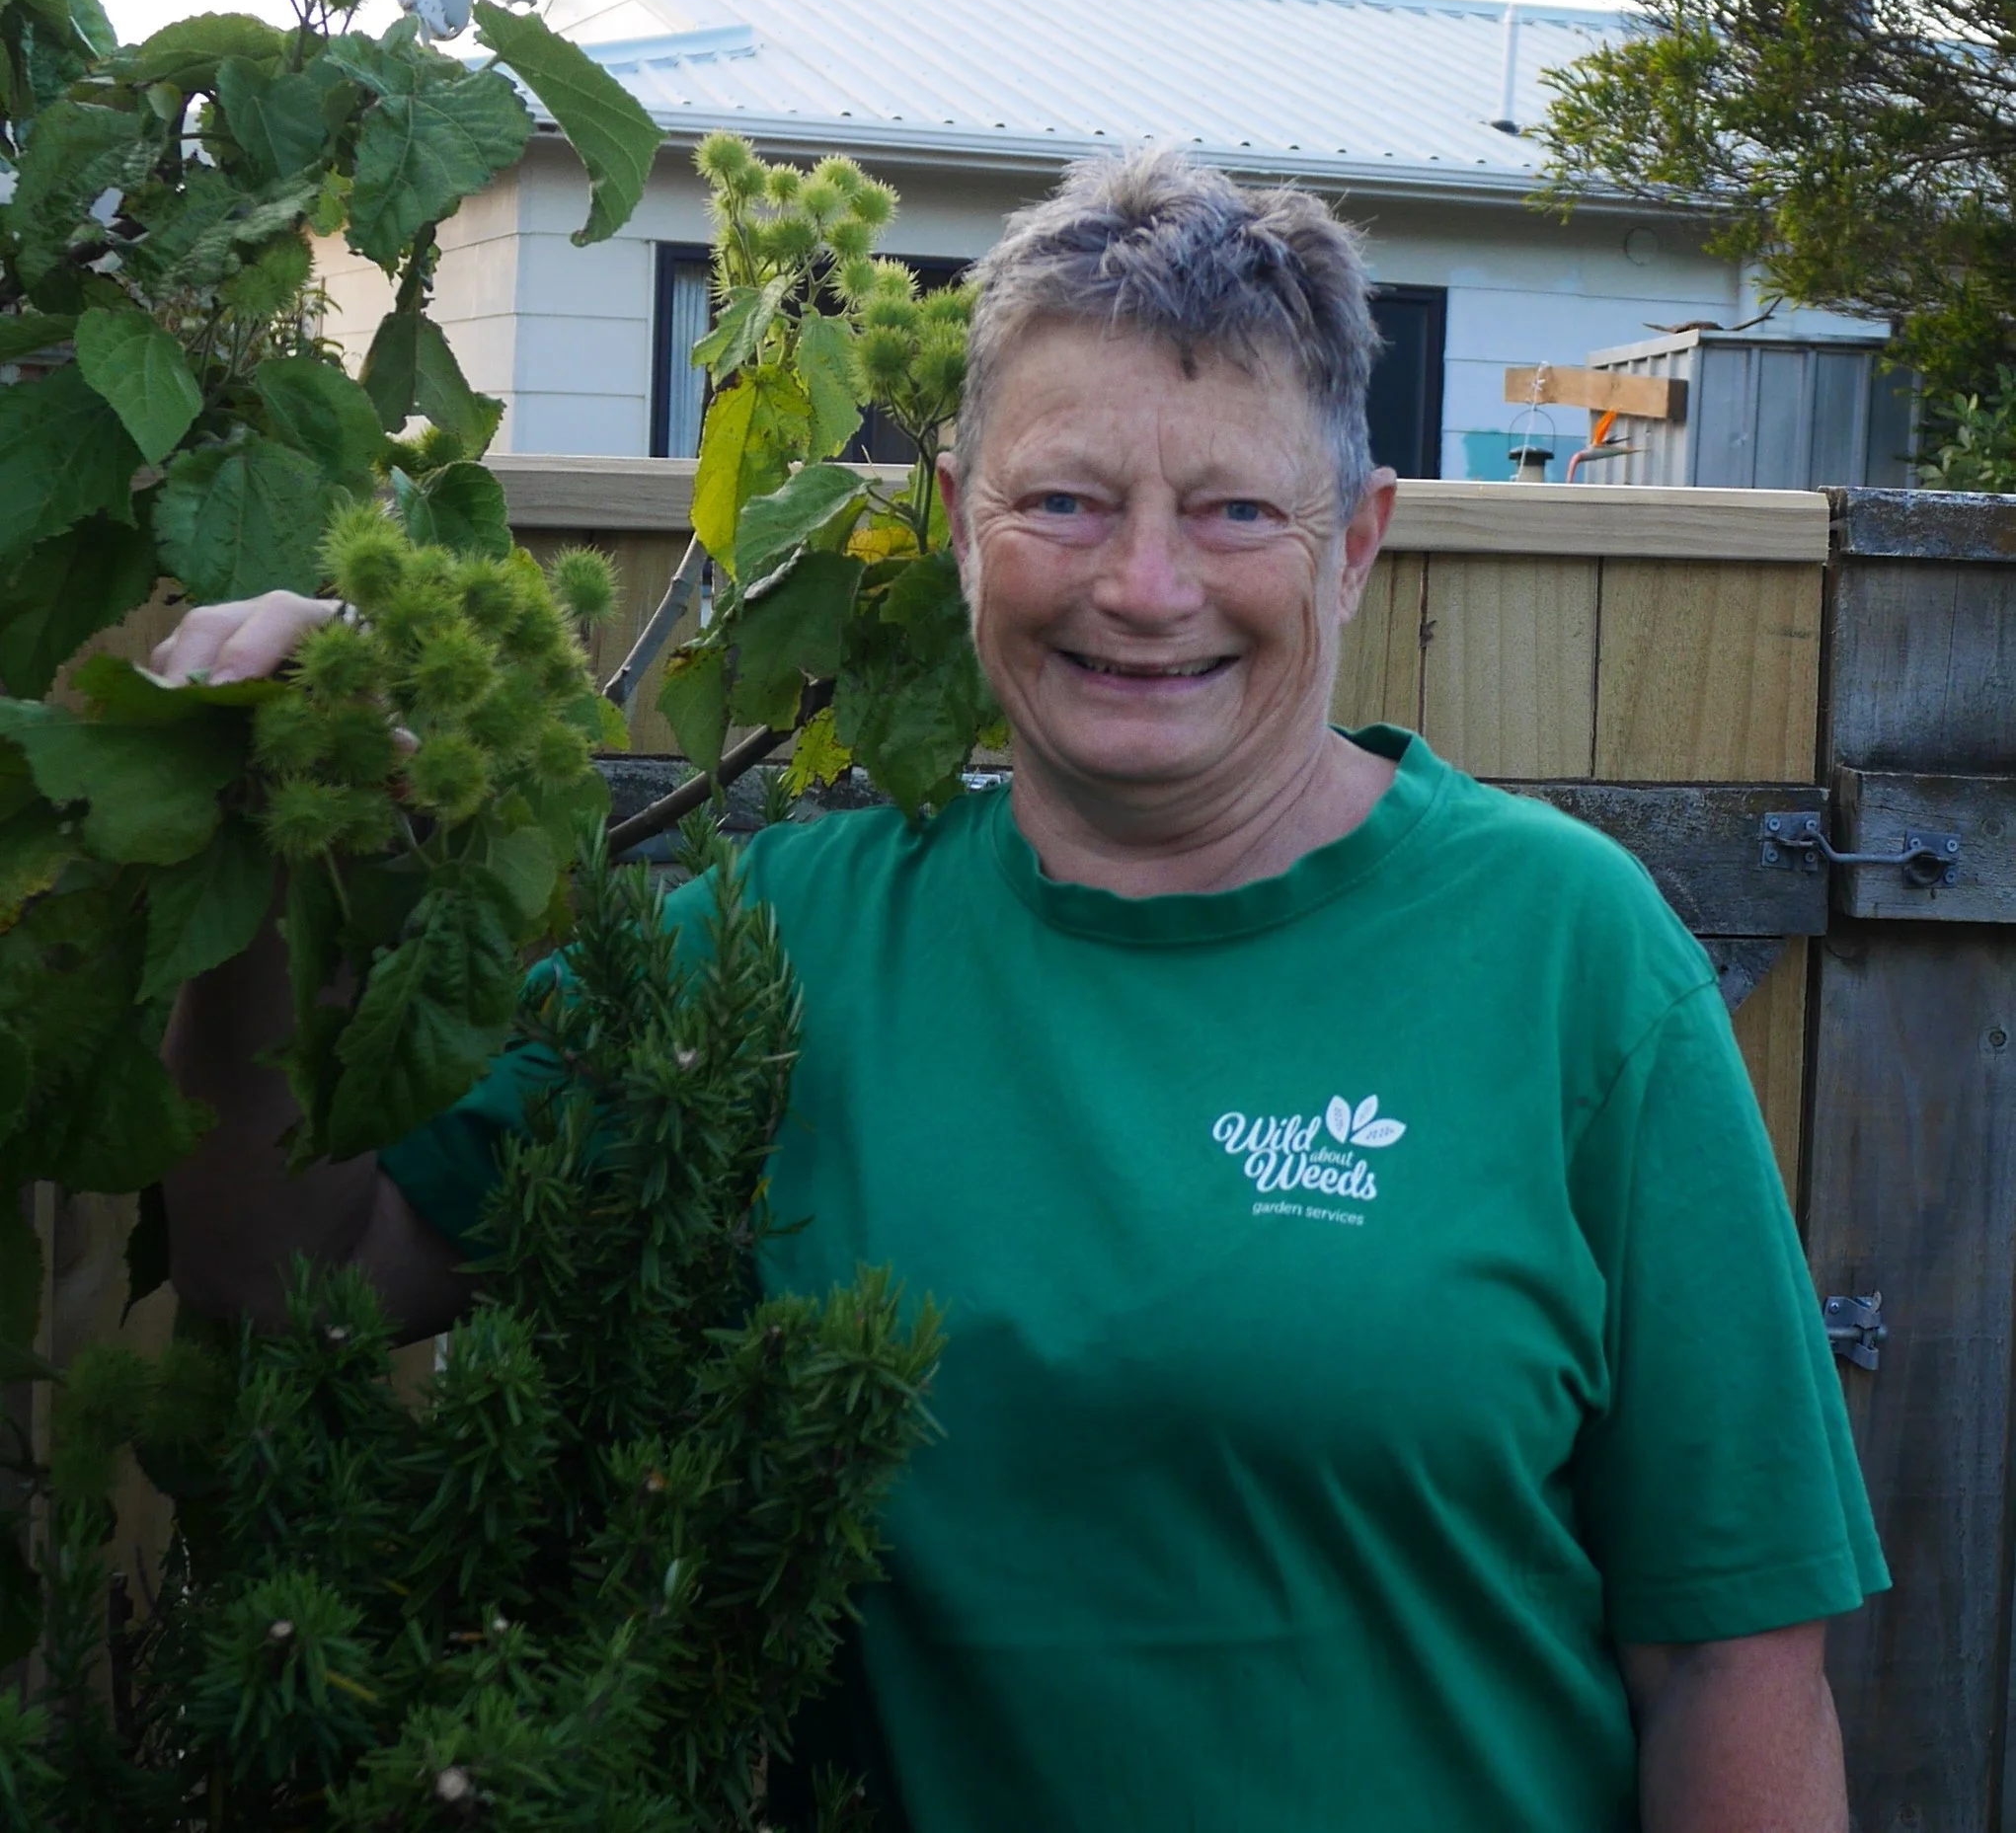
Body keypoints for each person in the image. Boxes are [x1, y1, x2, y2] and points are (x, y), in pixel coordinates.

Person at [161, 149, 1886, 1832]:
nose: (1144, 588)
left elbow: (1733, 1657)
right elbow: (299, 1277)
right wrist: (259, 853)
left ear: (1353, 542)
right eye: (1063, 500)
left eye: (1231, 509)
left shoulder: (1565, 953)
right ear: (953, 524)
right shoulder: (780, 954)